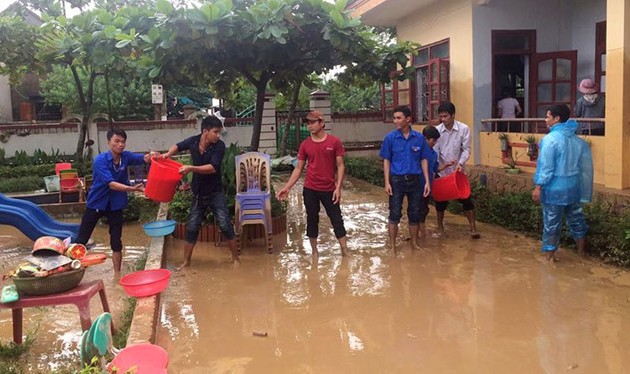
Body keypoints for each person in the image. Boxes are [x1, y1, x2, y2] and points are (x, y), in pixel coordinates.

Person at [161, 116, 239, 269]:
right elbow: (178, 145)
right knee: (191, 227)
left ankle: (236, 259)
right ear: (205, 131)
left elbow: (213, 168)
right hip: (198, 194)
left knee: (225, 224)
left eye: (219, 132)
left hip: (215, 193)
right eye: (216, 132)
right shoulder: (193, 141)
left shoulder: (219, 146)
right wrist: (168, 155)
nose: (218, 135)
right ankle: (186, 262)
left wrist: (190, 168)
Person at [76, 128, 154, 277]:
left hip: (116, 204)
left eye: (123, 141)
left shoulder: (126, 157)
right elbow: (111, 184)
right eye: (116, 141)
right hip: (96, 203)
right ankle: (72, 270)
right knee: (82, 239)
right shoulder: (100, 160)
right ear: (109, 142)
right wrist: (132, 189)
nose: (120, 144)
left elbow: (143, 159)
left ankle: (117, 275)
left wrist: (153, 156)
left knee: (116, 240)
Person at [276, 110, 349, 258]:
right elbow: (298, 168)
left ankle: (345, 252)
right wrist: (287, 187)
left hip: (329, 189)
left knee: (336, 219)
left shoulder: (334, 142)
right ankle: (315, 252)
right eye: (308, 123)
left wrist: (338, 188)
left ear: (322, 123)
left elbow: (340, 166)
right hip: (310, 189)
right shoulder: (305, 145)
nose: (310, 126)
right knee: (311, 219)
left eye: (313, 122)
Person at [532, 104, 593, 262]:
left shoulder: (550, 140)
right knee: (577, 218)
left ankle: (549, 258)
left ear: (557, 118)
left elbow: (546, 167)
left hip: (554, 189)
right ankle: (581, 253)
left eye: (548, 116)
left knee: (551, 222)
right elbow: (583, 167)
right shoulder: (577, 140)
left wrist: (538, 186)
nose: (546, 119)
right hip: (573, 187)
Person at [379, 105, 431, 252]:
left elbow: (424, 160)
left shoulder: (419, 138)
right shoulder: (390, 138)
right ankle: (393, 246)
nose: (395, 121)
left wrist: (427, 181)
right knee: (395, 212)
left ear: (408, 119)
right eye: (394, 118)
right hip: (397, 181)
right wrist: (387, 182)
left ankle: (414, 243)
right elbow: (386, 160)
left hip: (415, 180)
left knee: (414, 213)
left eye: (398, 118)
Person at [433, 101, 480, 239]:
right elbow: (435, 152)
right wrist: (439, 168)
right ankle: (440, 228)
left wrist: (460, 163)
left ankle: (473, 228)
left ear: (453, 115)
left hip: (458, 172)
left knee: (466, 199)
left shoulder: (464, 129)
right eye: (441, 116)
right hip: (442, 172)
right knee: (440, 202)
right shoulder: (437, 131)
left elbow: (466, 149)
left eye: (446, 116)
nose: (443, 119)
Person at [420, 125, 456, 240]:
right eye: (433, 140)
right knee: (418, 209)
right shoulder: (417, 151)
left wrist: (446, 165)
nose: (435, 143)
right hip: (417, 185)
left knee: (424, 210)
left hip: (428, 186)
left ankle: (421, 234)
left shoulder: (433, 154)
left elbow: (435, 169)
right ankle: (419, 234)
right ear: (425, 139)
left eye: (436, 140)